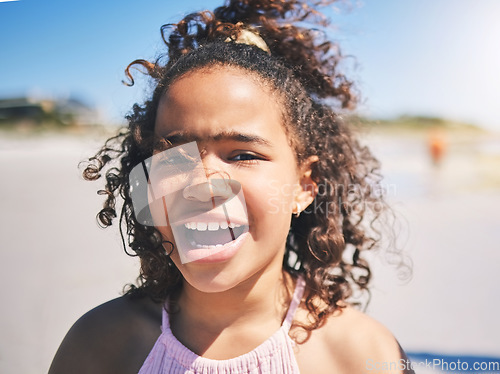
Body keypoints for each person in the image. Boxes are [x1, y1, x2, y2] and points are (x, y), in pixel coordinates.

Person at [49, 0, 413, 373]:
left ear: (304, 185)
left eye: (242, 155)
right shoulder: (100, 342)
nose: (201, 184)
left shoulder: (361, 355)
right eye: (174, 156)